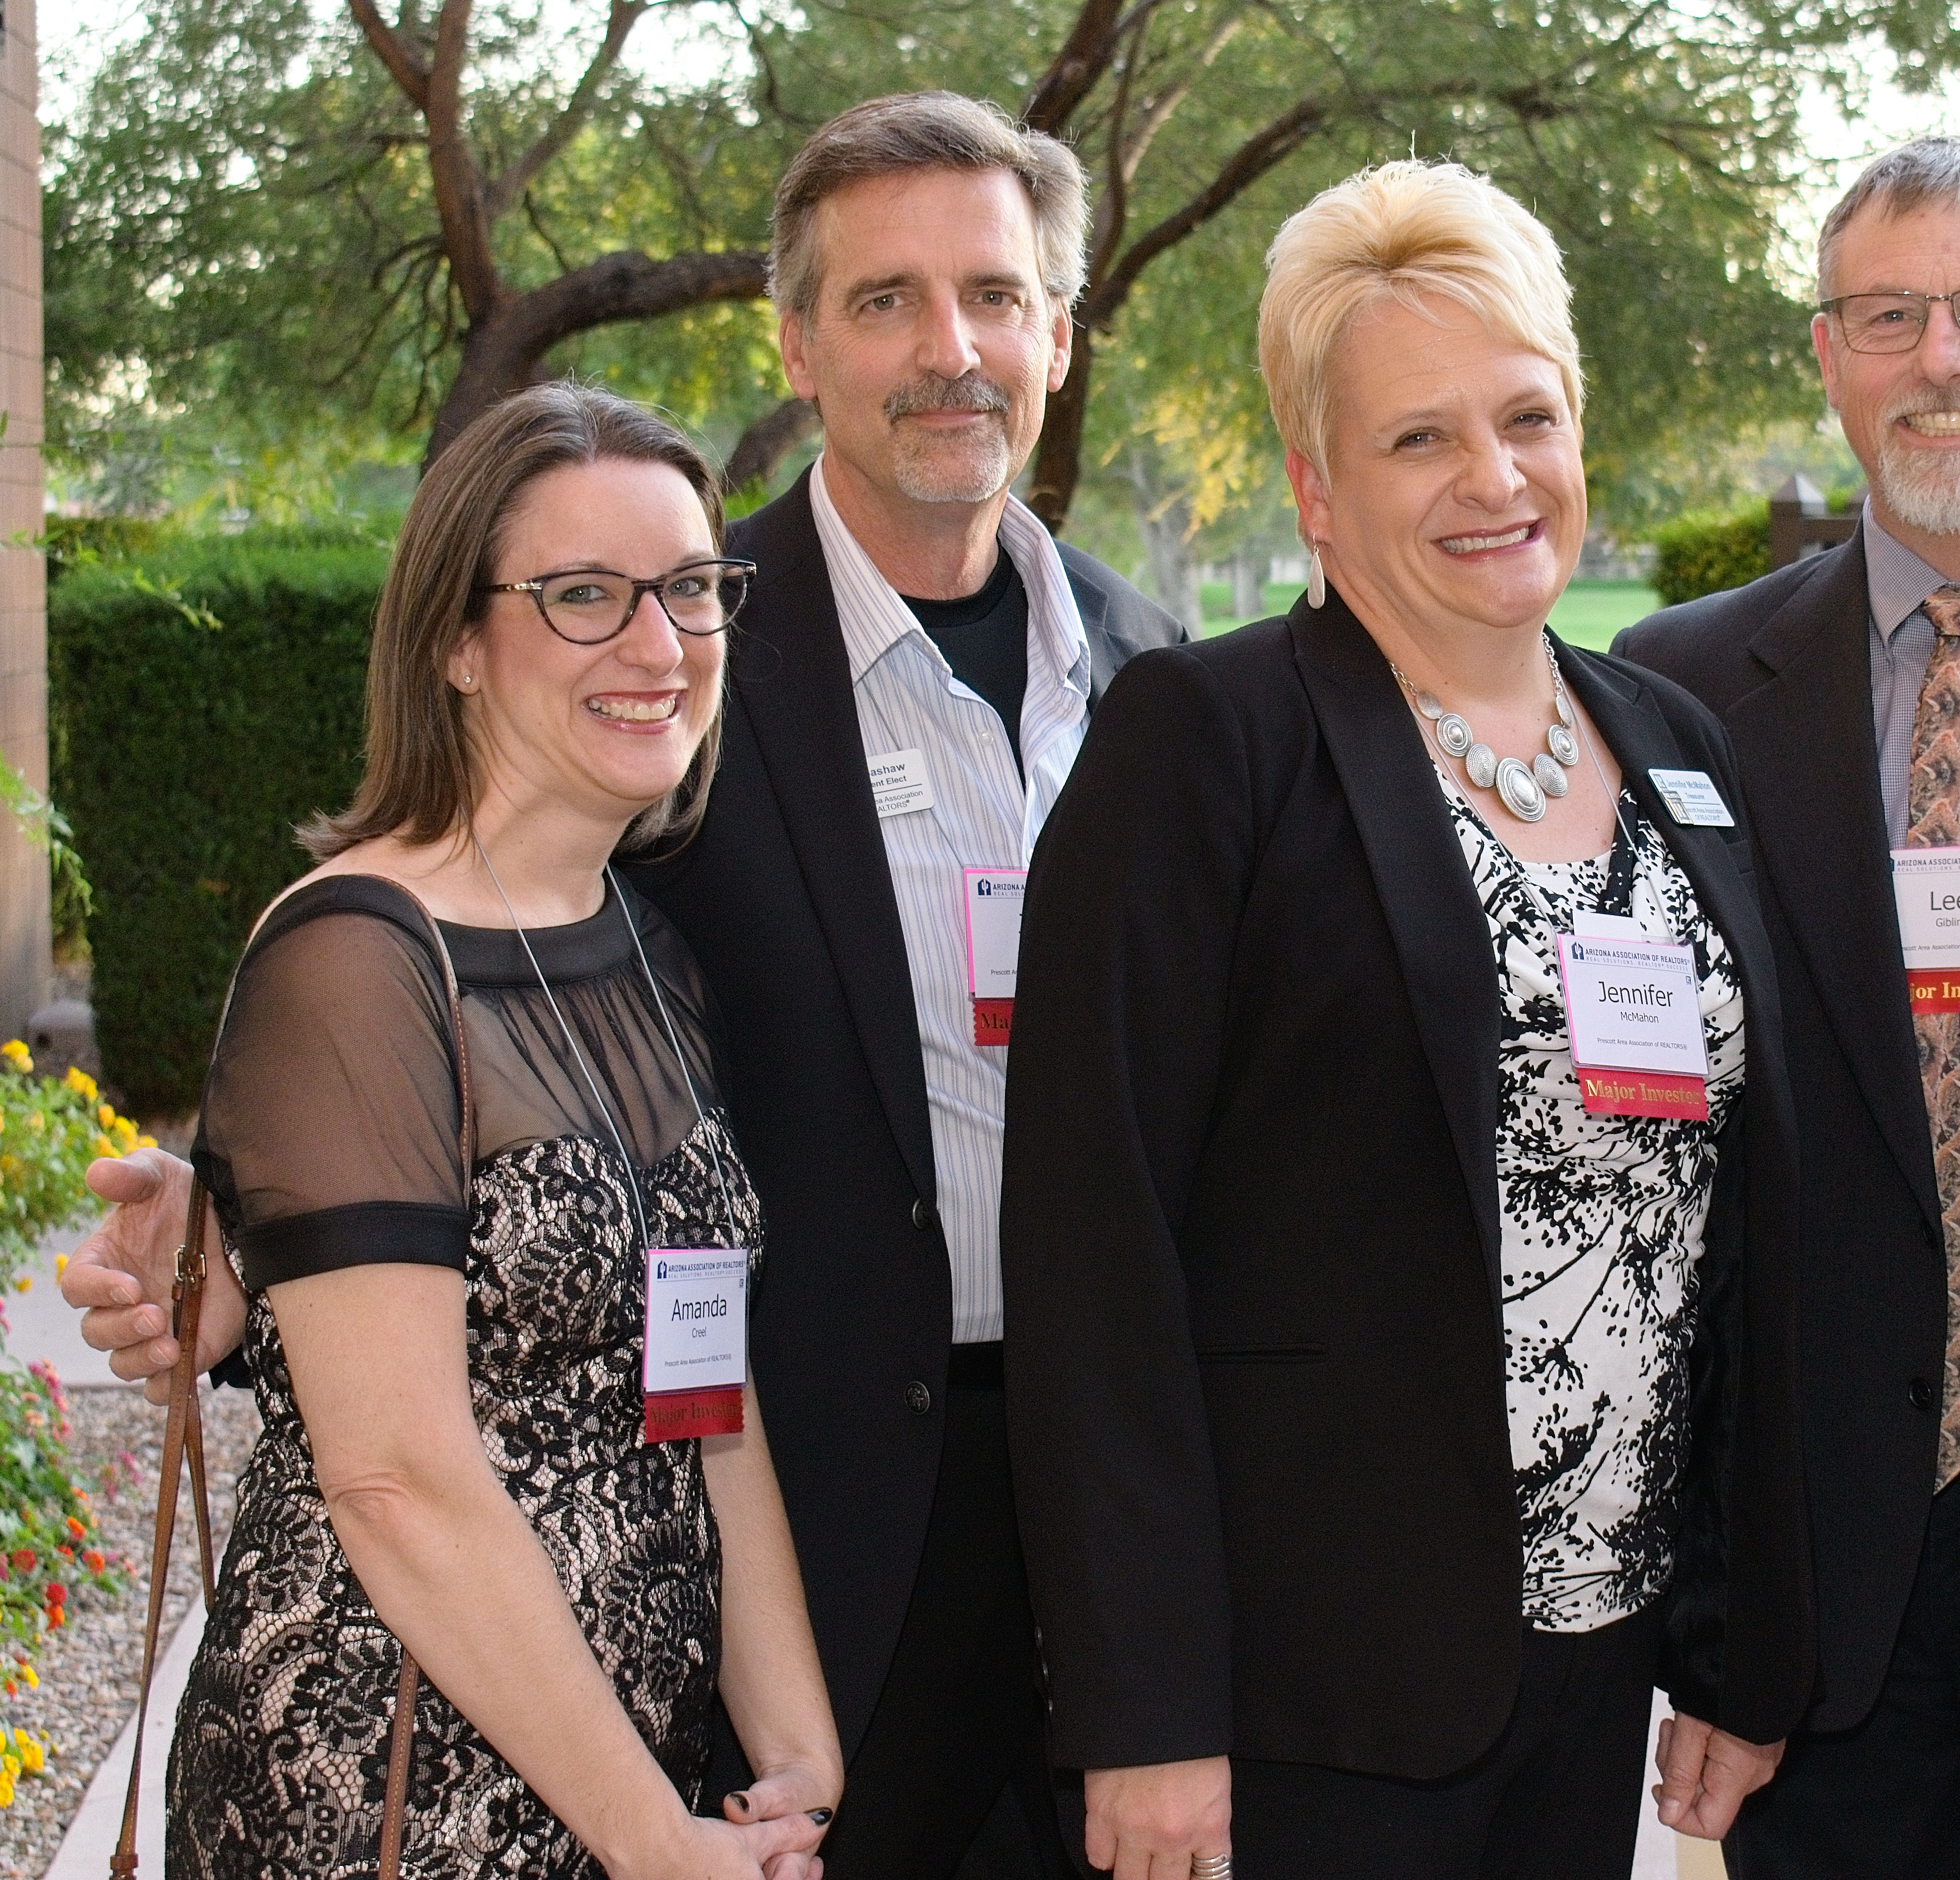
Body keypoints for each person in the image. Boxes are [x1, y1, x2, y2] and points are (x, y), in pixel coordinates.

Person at [66, 91, 1182, 1877]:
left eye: (992, 293)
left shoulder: (1156, 678)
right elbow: (400, 1082)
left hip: (1041, 1542)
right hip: (608, 1665)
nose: (949, 348)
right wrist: (257, 1222)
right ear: (799, 345)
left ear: (1059, 329)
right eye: (884, 299)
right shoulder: (689, 685)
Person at [999, 159, 1813, 1880]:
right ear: (1315, 486)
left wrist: (1736, 1638)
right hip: (1309, 1694)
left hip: (1598, 1660)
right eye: (1418, 438)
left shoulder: (1677, 747)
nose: (1493, 478)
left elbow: (1736, 1231)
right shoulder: (1204, 746)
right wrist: (1144, 1712)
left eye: (1527, 418)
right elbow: (1093, 1250)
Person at [149, 381, 839, 1875]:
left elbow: (701, 1385)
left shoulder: (645, 947)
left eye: (690, 589)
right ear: (456, 643)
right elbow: (394, 1480)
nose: (658, 646)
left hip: (632, 1790)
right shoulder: (354, 958)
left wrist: (798, 1750)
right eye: (584, 596)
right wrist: (658, 1843)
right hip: (392, 1801)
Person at [1616, 133, 1960, 1876]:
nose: (1941, 360)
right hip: (1825, 1588)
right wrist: (1717, 1612)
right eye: (1888, 317)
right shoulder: (1675, 695)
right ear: (1829, 358)